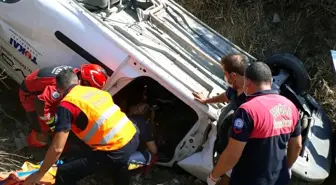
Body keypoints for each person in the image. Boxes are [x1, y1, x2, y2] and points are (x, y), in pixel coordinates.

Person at [23, 69, 139, 185]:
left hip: (115, 150)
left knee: (64, 172)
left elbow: (57, 148)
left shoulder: (67, 105)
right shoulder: (95, 91)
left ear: (58, 89)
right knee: (116, 167)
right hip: (133, 136)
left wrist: (40, 173)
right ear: (78, 82)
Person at [207, 62, 302, 185]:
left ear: (248, 82)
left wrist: (213, 176)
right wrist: (287, 168)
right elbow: (297, 146)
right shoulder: (291, 106)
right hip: (280, 180)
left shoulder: (247, 110)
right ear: (270, 81)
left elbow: (232, 154)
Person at [19, 64, 108, 148]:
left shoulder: (74, 75)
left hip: (41, 93)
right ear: (85, 82)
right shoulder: (64, 85)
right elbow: (41, 102)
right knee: (44, 133)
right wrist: (51, 123)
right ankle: (23, 143)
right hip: (30, 96)